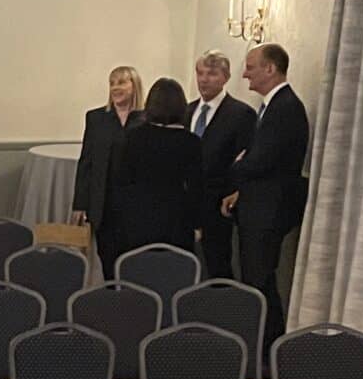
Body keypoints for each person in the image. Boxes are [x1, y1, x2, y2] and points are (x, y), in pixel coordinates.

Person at [227, 42, 311, 351]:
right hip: (259, 205)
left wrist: (238, 167)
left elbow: (261, 161)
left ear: (270, 68)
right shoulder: (275, 107)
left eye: (250, 66)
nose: (245, 74)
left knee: (260, 281)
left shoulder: (285, 107)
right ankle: (263, 347)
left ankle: (267, 351)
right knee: (256, 280)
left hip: (268, 211)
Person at [102, 77, 202, 263]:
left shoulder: (131, 138)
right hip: (176, 223)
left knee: (136, 278)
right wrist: (196, 225)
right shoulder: (191, 143)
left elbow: (119, 182)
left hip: (134, 222)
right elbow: (195, 189)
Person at [189, 49, 257, 280]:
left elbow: (243, 160)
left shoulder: (241, 114)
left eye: (211, 74)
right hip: (185, 205)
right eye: (200, 73)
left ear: (225, 77)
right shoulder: (186, 111)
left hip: (218, 207)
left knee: (217, 268)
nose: (204, 79)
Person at [71, 65, 143, 275]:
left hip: (135, 206)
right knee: (108, 259)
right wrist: (79, 204)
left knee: (132, 263)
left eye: (121, 82)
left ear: (135, 86)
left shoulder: (146, 119)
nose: (115, 88)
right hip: (104, 204)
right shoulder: (96, 118)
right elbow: (86, 163)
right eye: (112, 83)